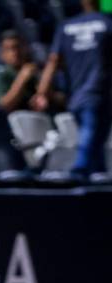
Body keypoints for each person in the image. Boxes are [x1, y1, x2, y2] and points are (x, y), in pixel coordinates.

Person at [34, 0, 112, 178]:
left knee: (96, 136)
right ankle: (79, 169)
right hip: (97, 91)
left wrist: (41, 92)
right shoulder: (107, 22)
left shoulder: (66, 26)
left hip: (75, 95)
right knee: (90, 132)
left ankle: (97, 176)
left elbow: (54, 60)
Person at [0, 31, 43, 113]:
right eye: (8, 49)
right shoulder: (2, 74)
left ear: (26, 48)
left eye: (17, 47)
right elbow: (4, 105)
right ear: (2, 54)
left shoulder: (38, 68)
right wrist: (22, 78)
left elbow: (60, 98)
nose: (14, 53)